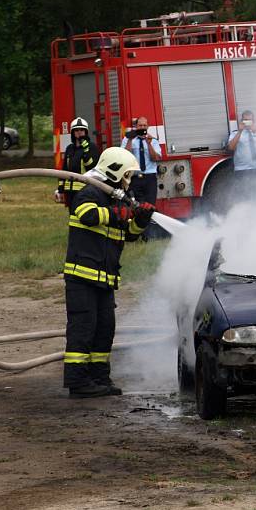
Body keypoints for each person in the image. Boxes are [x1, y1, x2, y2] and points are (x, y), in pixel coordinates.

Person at [63, 148, 155, 398]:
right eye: (127, 174)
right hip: (82, 276)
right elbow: (87, 215)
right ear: (114, 170)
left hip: (106, 278)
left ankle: (99, 378)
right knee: (83, 328)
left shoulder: (122, 197)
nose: (130, 179)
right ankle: (78, 382)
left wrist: (141, 219)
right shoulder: (89, 191)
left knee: (105, 329)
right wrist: (117, 213)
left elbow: (131, 235)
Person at [56, 117, 101, 209]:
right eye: (76, 130)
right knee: (72, 217)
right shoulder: (69, 148)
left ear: (85, 131)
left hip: (84, 190)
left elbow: (92, 167)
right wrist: (61, 189)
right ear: (73, 132)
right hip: (69, 190)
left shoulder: (92, 147)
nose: (79, 132)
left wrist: (86, 150)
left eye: (81, 130)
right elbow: (64, 170)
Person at [224, 110, 256, 202]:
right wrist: (240, 131)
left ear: (253, 121)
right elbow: (231, 147)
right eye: (245, 120)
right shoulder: (235, 134)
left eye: (249, 121)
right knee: (244, 196)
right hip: (242, 170)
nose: (247, 123)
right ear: (241, 121)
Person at [121, 116, 161, 205]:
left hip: (150, 178)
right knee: (136, 205)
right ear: (136, 126)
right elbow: (125, 157)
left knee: (150, 205)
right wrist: (130, 140)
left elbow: (155, 158)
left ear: (148, 127)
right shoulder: (128, 139)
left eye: (144, 125)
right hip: (135, 178)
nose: (142, 127)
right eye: (140, 125)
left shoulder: (153, 140)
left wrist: (149, 144)